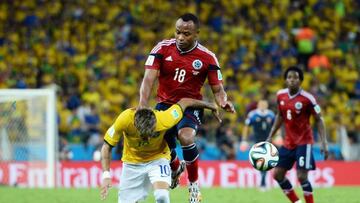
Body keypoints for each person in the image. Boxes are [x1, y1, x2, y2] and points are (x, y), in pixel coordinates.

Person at [138, 13, 235, 202]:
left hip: (191, 106)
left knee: (186, 136)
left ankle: (193, 188)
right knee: (161, 146)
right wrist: (142, 105)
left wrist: (223, 101)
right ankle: (175, 168)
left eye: (186, 34)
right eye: (178, 32)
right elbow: (148, 79)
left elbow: (218, 89)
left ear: (196, 34)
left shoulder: (208, 57)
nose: (181, 37)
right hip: (164, 105)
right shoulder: (162, 48)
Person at [100, 98, 221, 203]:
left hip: (157, 159)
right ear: (135, 124)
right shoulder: (124, 119)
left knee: (162, 196)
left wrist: (211, 105)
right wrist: (106, 175)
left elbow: (185, 102)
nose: (147, 139)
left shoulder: (164, 118)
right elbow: (107, 146)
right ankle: (176, 169)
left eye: (151, 134)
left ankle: (175, 169)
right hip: (132, 163)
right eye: (143, 135)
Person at [266, 66, 329, 203]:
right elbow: (280, 115)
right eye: (289, 77)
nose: (292, 80)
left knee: (301, 176)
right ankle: (296, 202)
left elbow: (319, 119)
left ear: (300, 80)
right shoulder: (280, 95)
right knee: (277, 174)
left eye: (295, 77)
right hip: (288, 142)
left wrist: (324, 142)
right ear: (286, 80)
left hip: (304, 142)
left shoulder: (308, 99)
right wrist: (271, 135)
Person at [242, 100, 275, 191]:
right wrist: (244, 140)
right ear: (258, 105)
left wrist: (279, 136)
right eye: (261, 104)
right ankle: (263, 183)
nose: (263, 106)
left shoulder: (271, 115)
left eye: (265, 104)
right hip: (257, 141)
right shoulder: (253, 115)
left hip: (268, 140)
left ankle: (263, 183)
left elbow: (276, 126)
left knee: (265, 161)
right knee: (261, 161)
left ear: (267, 105)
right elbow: (246, 127)